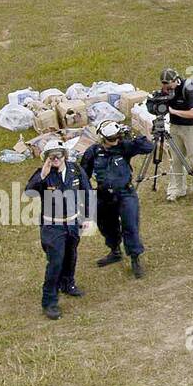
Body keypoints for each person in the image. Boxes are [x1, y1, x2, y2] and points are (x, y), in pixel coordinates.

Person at [27, 140, 89, 319]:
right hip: (52, 225)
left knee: (71, 256)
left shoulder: (74, 170)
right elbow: (29, 192)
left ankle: (68, 284)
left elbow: (86, 191)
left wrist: (87, 217)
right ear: (46, 158)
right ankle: (49, 301)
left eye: (58, 155)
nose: (55, 159)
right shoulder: (43, 174)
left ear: (64, 155)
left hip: (72, 223)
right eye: (51, 156)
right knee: (55, 261)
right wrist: (42, 176)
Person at [82, 120, 152, 278]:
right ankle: (115, 251)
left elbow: (149, 147)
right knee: (106, 226)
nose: (115, 141)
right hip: (103, 195)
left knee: (130, 225)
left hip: (125, 193)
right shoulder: (93, 152)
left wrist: (134, 138)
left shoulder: (124, 147)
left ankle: (135, 258)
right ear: (102, 137)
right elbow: (84, 174)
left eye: (116, 137)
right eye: (111, 139)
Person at [155, 67, 193, 206]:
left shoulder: (189, 90)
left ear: (176, 80)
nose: (167, 88)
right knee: (176, 160)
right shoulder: (166, 90)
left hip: (192, 129)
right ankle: (177, 189)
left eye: (169, 85)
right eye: (164, 85)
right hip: (175, 128)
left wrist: (173, 111)